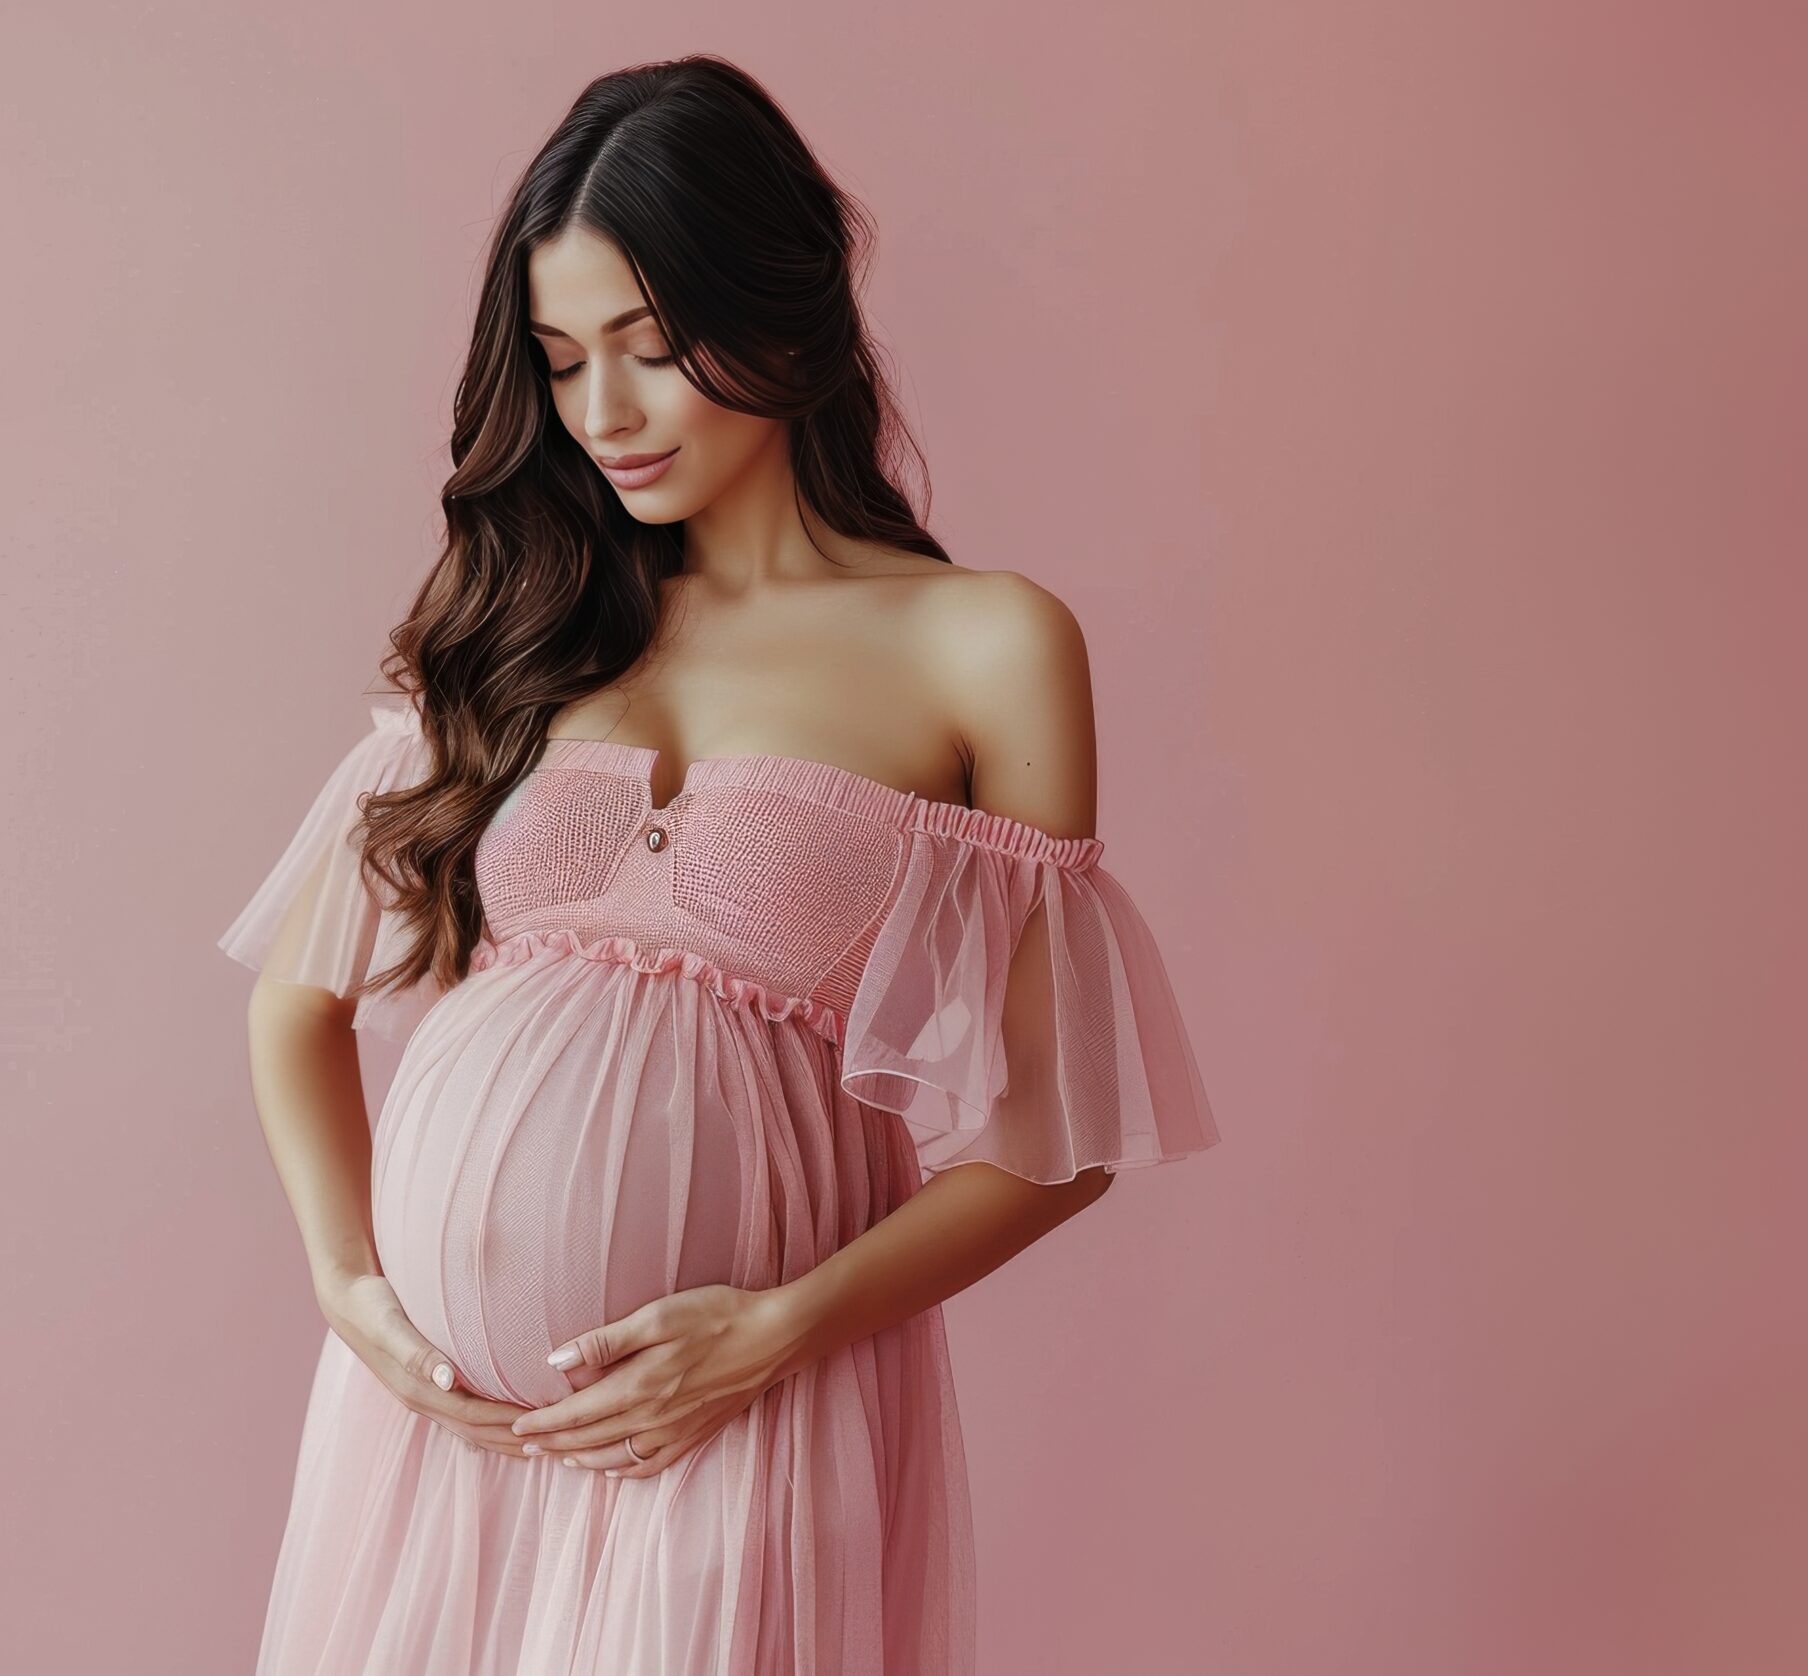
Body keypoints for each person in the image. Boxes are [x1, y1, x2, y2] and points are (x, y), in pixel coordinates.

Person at [216, 53, 1221, 1676]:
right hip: (435, 1440)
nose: (602, 414)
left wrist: (774, 1335)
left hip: (739, 1411)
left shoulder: (983, 646)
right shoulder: (529, 625)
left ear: (788, 314)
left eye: (653, 351)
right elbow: (298, 1006)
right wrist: (353, 1290)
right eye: (560, 362)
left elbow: (1057, 1136)